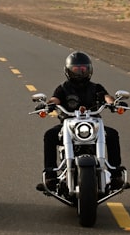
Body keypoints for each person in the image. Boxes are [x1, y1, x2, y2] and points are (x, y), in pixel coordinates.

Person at [40, 51, 124, 190]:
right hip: (69, 126)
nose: (79, 72)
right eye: (76, 69)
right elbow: (55, 99)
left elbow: (106, 97)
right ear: (68, 70)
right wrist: (48, 105)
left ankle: (116, 175)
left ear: (89, 70)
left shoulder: (96, 87)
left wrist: (114, 103)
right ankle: (50, 176)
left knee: (112, 134)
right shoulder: (63, 88)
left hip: (94, 125)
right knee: (50, 135)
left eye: (83, 69)